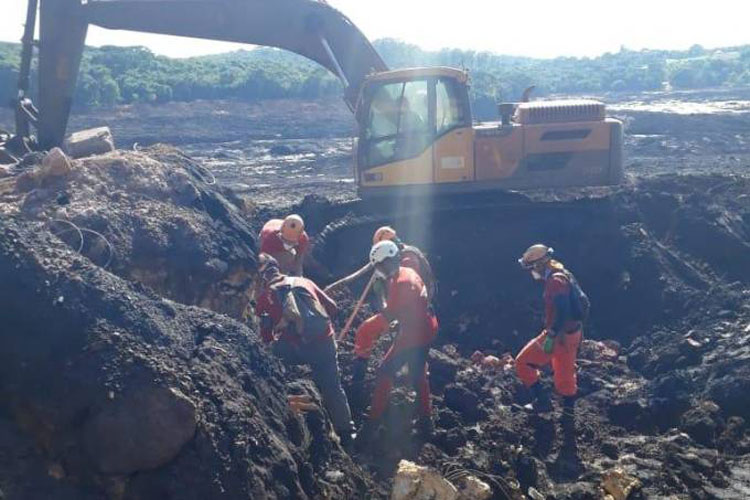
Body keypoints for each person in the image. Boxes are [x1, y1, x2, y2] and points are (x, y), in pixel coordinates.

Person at [254, 253, 355, 447]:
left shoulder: (265, 298)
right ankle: (347, 433)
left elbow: (266, 336)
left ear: (261, 278)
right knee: (333, 387)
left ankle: (280, 401)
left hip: (294, 348)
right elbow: (333, 308)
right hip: (324, 342)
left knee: (270, 360)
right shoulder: (303, 281)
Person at [353, 241, 438, 445]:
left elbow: (385, 319)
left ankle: (370, 427)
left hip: (413, 334)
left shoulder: (400, 284)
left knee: (384, 371)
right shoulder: (406, 271)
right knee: (418, 375)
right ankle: (427, 424)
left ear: (384, 263)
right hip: (428, 326)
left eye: (379, 266)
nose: (379, 271)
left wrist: (364, 331)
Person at [515, 244, 588, 414]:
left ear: (539, 264)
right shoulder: (563, 273)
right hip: (572, 334)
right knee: (565, 376)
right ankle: (568, 413)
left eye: (531, 267)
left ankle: (542, 401)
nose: (530, 271)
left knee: (523, 362)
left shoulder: (555, 282)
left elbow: (562, 310)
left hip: (559, 335)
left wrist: (552, 334)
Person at [324, 226, 436, 309]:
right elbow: (357, 275)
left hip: (417, 304)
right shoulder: (393, 255)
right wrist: (330, 289)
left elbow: (406, 289)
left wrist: (386, 307)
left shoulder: (408, 260)